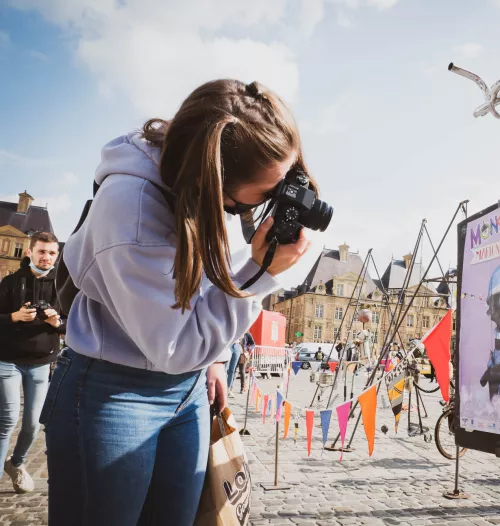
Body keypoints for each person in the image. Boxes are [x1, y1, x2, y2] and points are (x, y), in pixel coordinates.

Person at [41, 79, 315, 525]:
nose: (280, 199)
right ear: (214, 178)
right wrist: (262, 272)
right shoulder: (130, 209)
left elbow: (206, 291)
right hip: (112, 393)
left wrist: (217, 359)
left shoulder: (210, 191)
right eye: (267, 193)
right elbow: (176, 344)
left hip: (187, 392)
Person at [0, 232, 64, 493]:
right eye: (41, 251)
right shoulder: (10, 282)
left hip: (41, 363)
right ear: (29, 252)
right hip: (8, 360)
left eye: (51, 253)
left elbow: (74, 324)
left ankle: (17, 463)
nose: (46, 257)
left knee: (34, 423)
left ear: (57, 256)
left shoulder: (63, 285)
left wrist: (57, 323)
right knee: (7, 419)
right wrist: (14, 317)